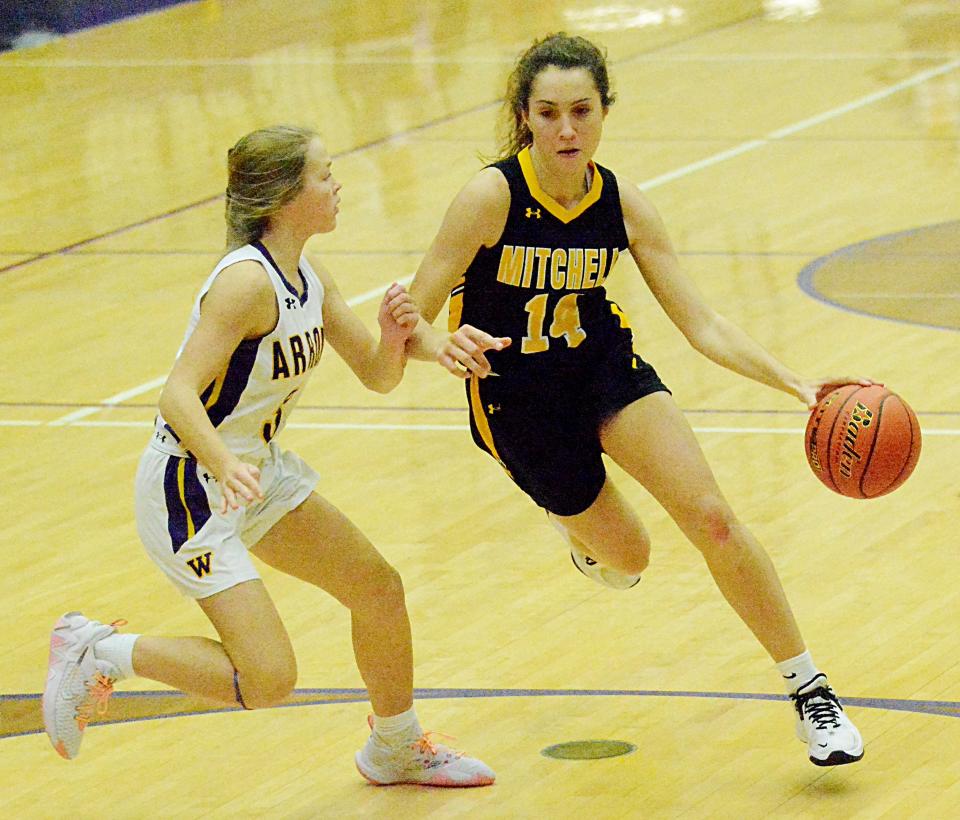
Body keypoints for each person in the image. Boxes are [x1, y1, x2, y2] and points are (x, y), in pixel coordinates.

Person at [404, 33, 867, 767]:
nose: (566, 129)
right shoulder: (489, 198)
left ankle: (810, 691)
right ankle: (578, 530)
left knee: (712, 518)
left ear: (603, 113)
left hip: (601, 371)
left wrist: (798, 387)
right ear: (524, 116)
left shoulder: (621, 203)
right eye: (549, 113)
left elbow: (703, 322)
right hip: (517, 401)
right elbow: (409, 316)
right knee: (630, 557)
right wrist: (439, 345)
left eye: (581, 111)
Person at [42, 125, 495, 788]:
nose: (337, 184)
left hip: (253, 469)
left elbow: (376, 373)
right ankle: (98, 650)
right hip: (191, 485)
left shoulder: (309, 276)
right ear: (285, 197)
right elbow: (176, 395)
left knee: (377, 588)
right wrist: (223, 464)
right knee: (269, 678)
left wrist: (411, 338)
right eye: (324, 174)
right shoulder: (246, 285)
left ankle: (395, 745)